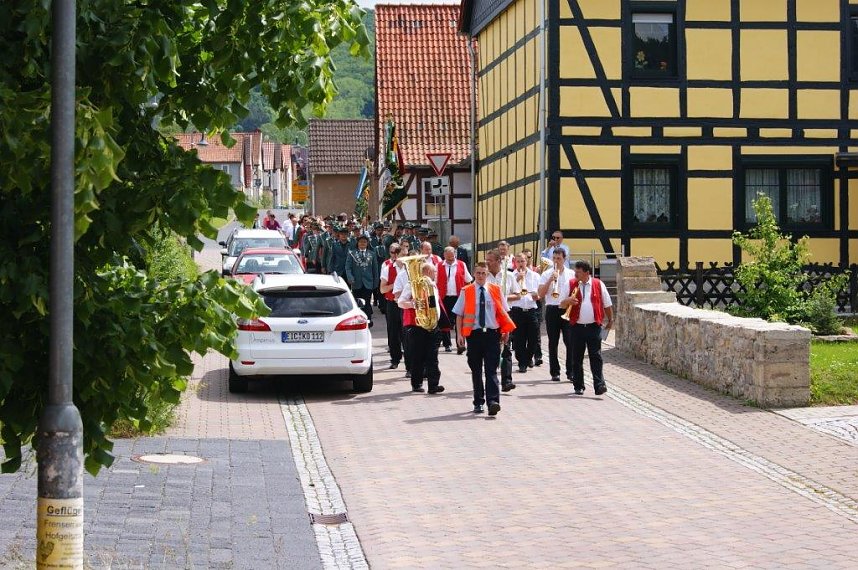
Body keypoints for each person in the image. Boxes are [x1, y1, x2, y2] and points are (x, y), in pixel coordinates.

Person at [454, 262, 516, 416]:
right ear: (474, 274)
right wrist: (459, 335)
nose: (481, 276)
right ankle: (478, 401)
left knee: (491, 370)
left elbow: (503, 312)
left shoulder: (495, 290)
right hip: (474, 335)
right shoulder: (466, 291)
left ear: (487, 274)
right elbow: (459, 314)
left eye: (483, 273)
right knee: (476, 370)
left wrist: (505, 331)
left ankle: (493, 402)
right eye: (478, 273)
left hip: (492, 334)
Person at [559, 260, 614, 396]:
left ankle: (599, 385)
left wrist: (610, 319)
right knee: (576, 357)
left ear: (586, 272)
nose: (575, 274)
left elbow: (607, 303)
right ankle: (578, 385)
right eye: (575, 271)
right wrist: (568, 301)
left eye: (578, 272)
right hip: (576, 327)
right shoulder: (570, 283)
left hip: (594, 326)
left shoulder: (598, 284)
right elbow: (561, 304)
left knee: (596, 356)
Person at [397, 263, 444, 394]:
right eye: (434, 272)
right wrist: (413, 303)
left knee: (433, 356)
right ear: (428, 272)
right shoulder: (412, 285)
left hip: (433, 324)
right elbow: (400, 302)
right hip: (417, 325)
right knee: (418, 356)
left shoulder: (433, 286)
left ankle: (433, 385)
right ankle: (416, 384)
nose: (435, 274)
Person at [486, 249, 521, 392]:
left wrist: (503, 298)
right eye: (486, 260)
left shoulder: (510, 275)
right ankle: (493, 377)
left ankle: (507, 381)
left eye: (490, 260)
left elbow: (518, 295)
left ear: (498, 261)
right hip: (489, 315)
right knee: (492, 348)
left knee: (506, 347)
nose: (487, 263)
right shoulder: (483, 276)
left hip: (506, 313)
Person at [537, 248, 574, 382]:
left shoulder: (571, 274)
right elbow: (540, 294)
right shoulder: (546, 274)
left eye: (559, 259)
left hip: (566, 309)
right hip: (552, 309)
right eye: (554, 259)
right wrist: (550, 281)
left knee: (570, 342)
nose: (556, 261)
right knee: (553, 342)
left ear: (564, 259)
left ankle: (571, 371)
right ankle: (555, 372)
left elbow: (575, 292)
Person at [509, 252, 541, 373]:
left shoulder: (535, 276)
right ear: (515, 263)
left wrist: (536, 295)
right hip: (517, 311)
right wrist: (517, 280)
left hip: (532, 310)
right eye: (518, 262)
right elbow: (508, 293)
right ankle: (522, 363)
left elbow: (539, 294)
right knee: (518, 339)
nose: (521, 264)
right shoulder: (511, 276)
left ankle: (528, 358)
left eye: (522, 261)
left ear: (526, 261)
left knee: (533, 339)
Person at [437, 246, 472, 354]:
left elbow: (468, 281)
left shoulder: (462, 264)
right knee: (445, 322)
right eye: (448, 258)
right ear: (444, 256)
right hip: (444, 297)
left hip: (458, 297)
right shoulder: (438, 265)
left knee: (460, 321)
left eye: (452, 258)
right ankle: (447, 344)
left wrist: (468, 296)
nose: (450, 260)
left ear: (455, 255)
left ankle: (460, 345)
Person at [380, 244, 405, 369]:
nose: (395, 255)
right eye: (393, 252)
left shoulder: (408, 268)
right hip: (393, 303)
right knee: (393, 332)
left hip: (406, 304)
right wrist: (395, 285)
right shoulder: (387, 268)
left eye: (398, 252)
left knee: (407, 333)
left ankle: (410, 365)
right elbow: (382, 289)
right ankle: (395, 359)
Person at [346, 235, 379, 318]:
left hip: (368, 282)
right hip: (356, 282)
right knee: (357, 303)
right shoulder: (352, 253)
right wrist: (350, 277)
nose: (362, 243)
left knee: (367, 302)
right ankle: (358, 320)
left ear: (367, 243)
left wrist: (375, 283)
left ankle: (368, 320)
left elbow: (375, 269)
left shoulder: (372, 254)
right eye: (361, 242)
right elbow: (348, 267)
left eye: (364, 242)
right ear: (357, 243)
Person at [521, 248, 543, 366]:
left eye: (529, 257)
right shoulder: (517, 273)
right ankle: (526, 357)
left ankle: (537, 355)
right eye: (525, 257)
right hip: (522, 305)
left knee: (536, 332)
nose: (527, 259)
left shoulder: (536, 271)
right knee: (524, 334)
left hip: (535, 304)